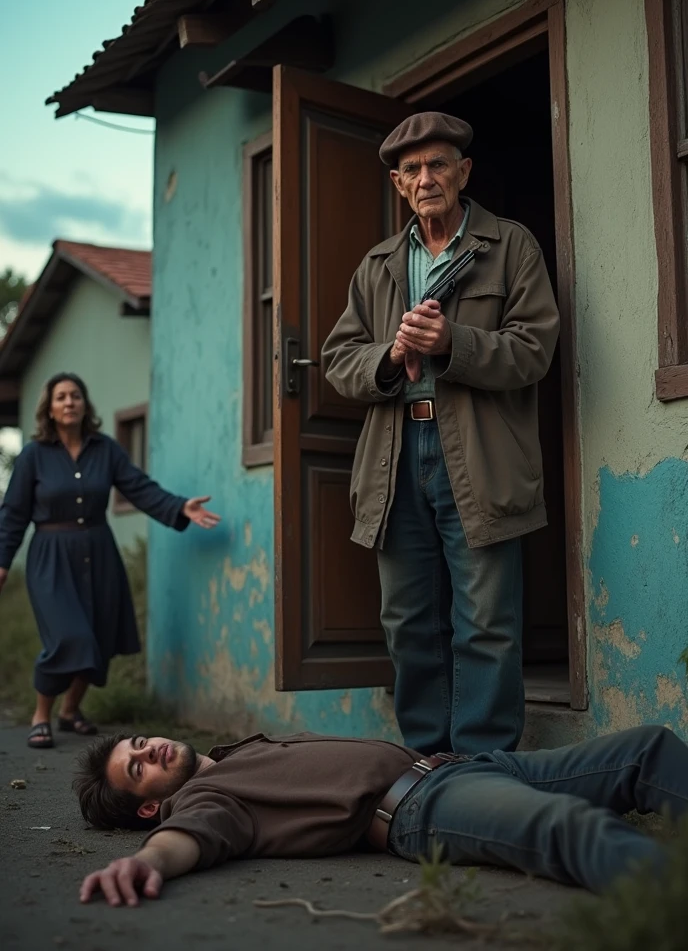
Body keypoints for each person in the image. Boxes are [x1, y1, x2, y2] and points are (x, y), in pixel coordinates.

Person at [321, 112, 560, 756]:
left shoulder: (511, 246)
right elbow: (338, 360)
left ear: (463, 172)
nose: (426, 178)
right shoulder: (376, 266)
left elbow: (536, 349)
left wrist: (456, 342)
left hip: (478, 454)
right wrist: (389, 358)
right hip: (397, 456)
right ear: (399, 185)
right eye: (413, 170)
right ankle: (429, 763)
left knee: (486, 622)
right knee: (408, 623)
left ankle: (483, 767)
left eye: (438, 165)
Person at [75, 723, 688, 906]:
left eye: (137, 744)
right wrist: (146, 860)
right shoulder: (206, 801)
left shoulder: (240, 751)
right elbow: (189, 840)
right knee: (568, 828)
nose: (146, 750)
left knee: (647, 750)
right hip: (427, 805)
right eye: (138, 768)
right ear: (151, 803)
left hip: (468, 765)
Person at [0, 372, 221, 750]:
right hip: (51, 557)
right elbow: (13, 513)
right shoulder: (34, 455)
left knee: (99, 636)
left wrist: (179, 506)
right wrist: (3, 561)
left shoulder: (106, 449)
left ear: (85, 405)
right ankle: (41, 716)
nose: (69, 402)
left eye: (76, 396)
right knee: (69, 636)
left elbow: (138, 487)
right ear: (49, 410)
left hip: (99, 553)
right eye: (61, 397)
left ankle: (70, 711)